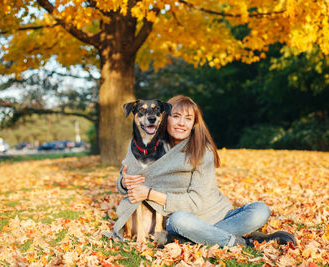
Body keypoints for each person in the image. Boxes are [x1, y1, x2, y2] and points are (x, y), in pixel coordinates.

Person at [114, 95, 296, 247]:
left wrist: (150, 193)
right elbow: (126, 177)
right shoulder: (151, 146)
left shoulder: (202, 150)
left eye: (188, 119)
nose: (181, 123)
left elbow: (198, 203)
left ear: (194, 123)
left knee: (260, 210)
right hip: (182, 220)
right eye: (176, 116)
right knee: (179, 220)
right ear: (165, 117)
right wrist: (124, 182)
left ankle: (196, 238)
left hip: (216, 214)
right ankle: (243, 243)